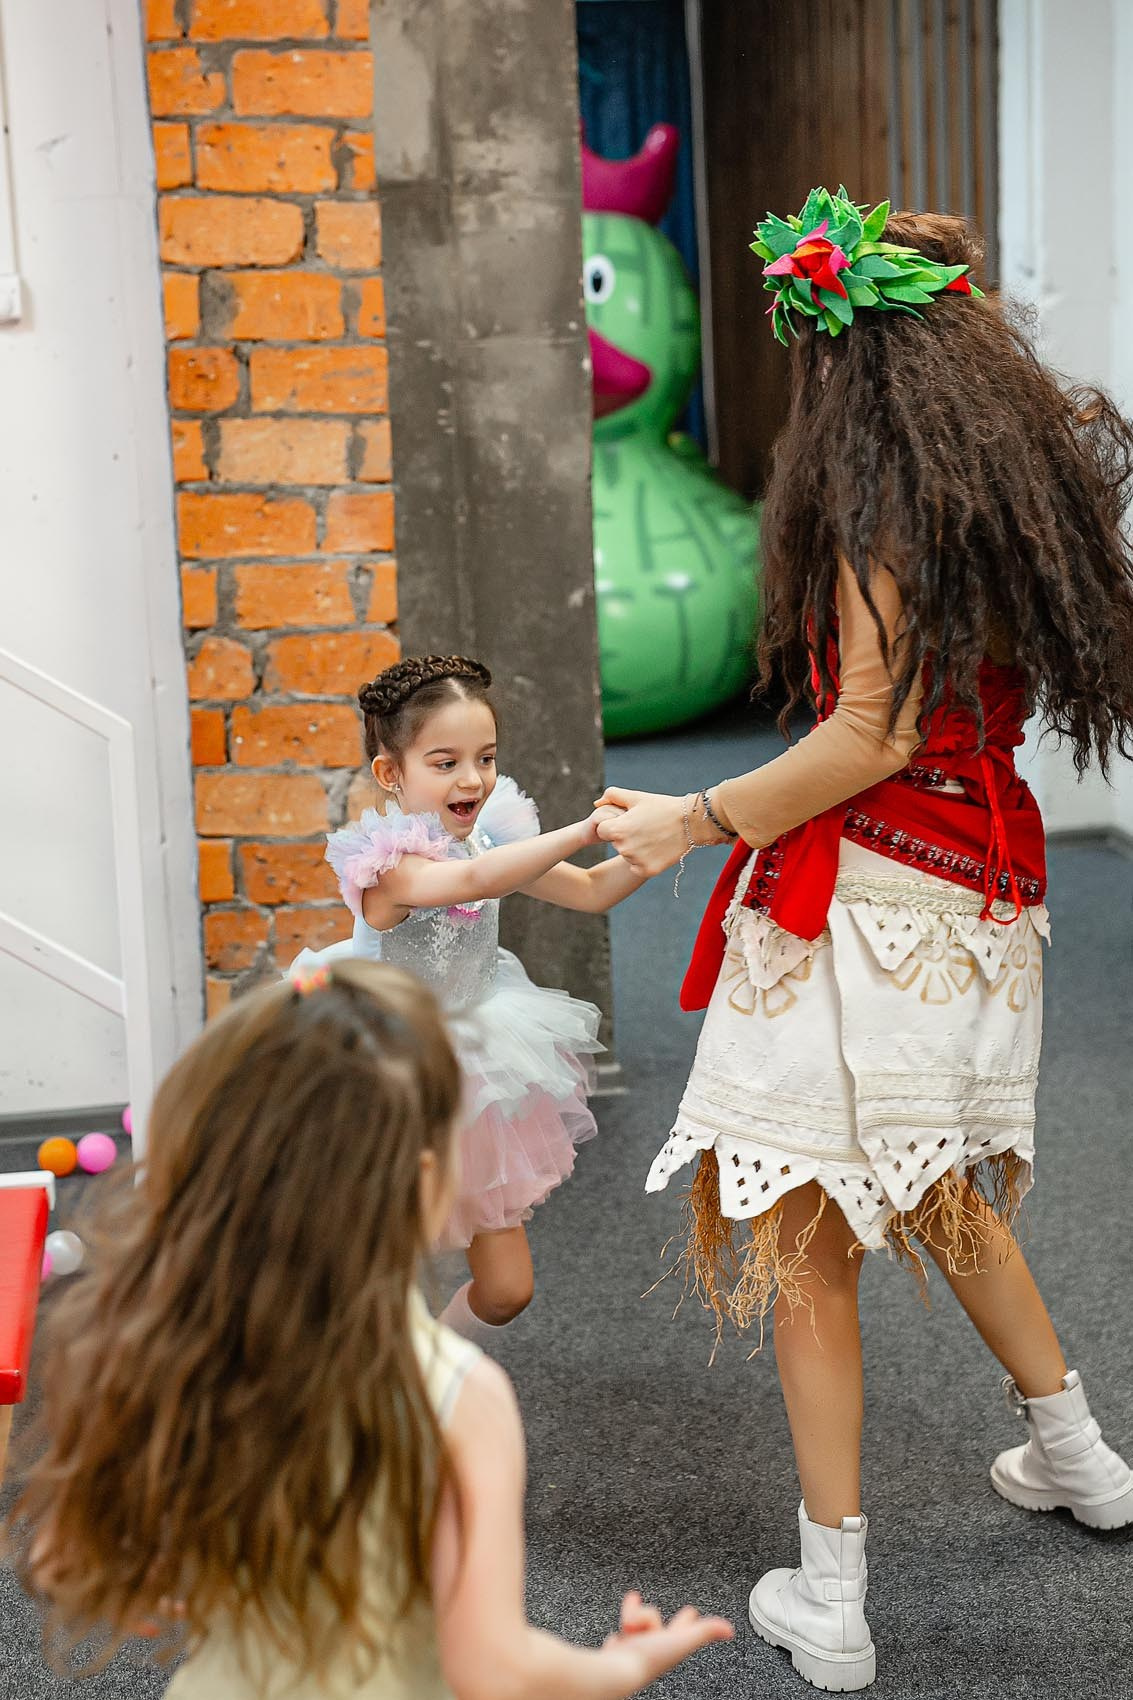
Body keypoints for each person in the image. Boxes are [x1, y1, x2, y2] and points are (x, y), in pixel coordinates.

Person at [595, 189, 1133, 1692]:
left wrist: (690, 822)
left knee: (806, 1244)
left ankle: (829, 1597)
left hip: (865, 903)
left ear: (845, 356)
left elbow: (866, 734)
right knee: (941, 1185)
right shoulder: (1008, 491)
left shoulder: (883, 501)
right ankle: (1081, 1460)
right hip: (981, 897)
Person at [10, 961, 732, 1697]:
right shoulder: (459, 1395)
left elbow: (76, 1563)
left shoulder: (173, 1338)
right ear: (423, 1183)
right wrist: (621, 1665)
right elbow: (493, 1669)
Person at [292, 655, 643, 1344]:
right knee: (362, 1270)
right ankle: (335, 1389)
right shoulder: (390, 867)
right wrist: (581, 830)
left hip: (471, 1063)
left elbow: (592, 892)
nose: (474, 779)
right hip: (381, 1068)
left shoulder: (489, 835)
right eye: (445, 762)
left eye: (485, 758)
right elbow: (472, 880)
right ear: (392, 774)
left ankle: (429, 1377)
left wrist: (672, 839)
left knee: (508, 1289)